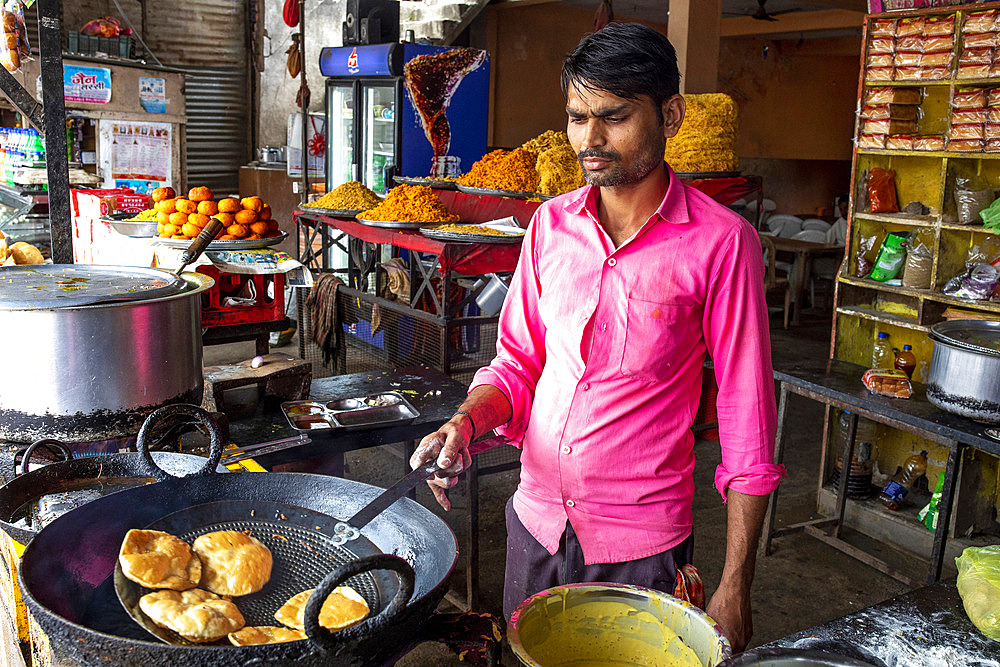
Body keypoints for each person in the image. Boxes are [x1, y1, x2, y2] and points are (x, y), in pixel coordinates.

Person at [410, 22, 783, 652]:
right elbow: (517, 366)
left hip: (641, 548)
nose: (590, 139)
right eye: (577, 118)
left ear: (672, 114)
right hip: (535, 528)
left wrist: (735, 583)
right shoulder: (550, 227)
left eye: (613, 117)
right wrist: (466, 423)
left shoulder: (721, 244)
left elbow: (748, 421)